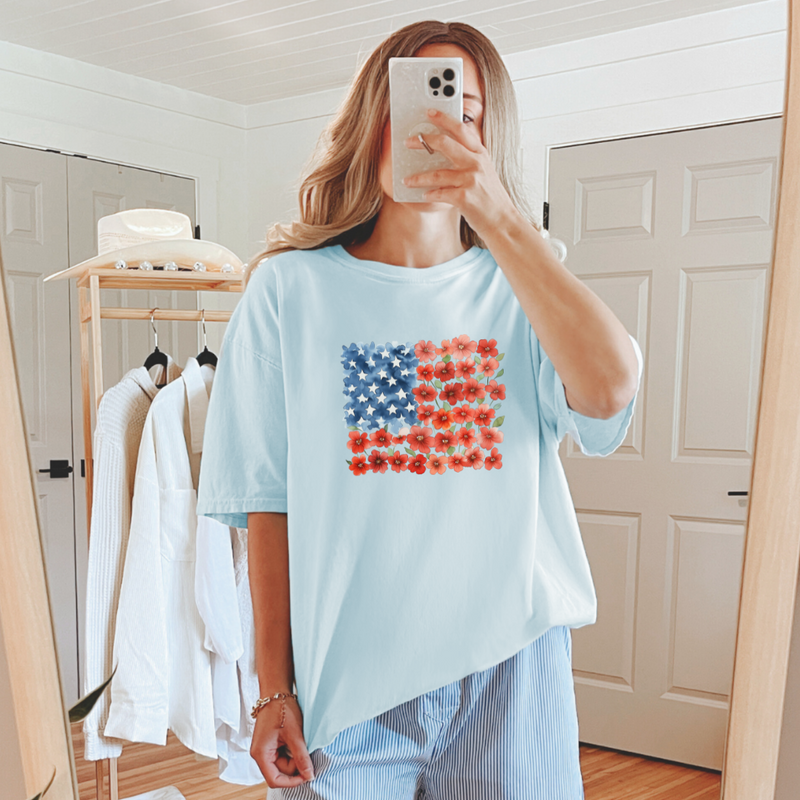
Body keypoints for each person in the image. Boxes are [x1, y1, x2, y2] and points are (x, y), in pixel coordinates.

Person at [196, 18, 643, 800]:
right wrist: (273, 689)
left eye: (464, 114)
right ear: (375, 120)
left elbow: (610, 390)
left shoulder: (526, 282)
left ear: (489, 140)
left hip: (510, 672)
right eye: (419, 104)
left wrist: (501, 217)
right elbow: (269, 504)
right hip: (346, 687)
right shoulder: (287, 290)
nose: (437, 130)